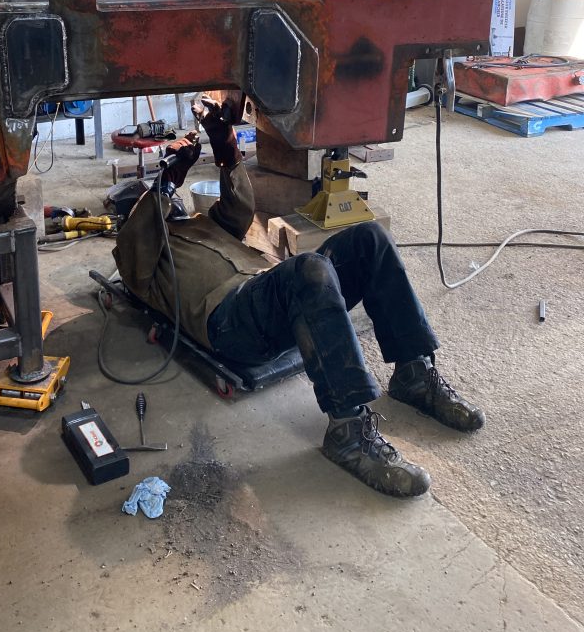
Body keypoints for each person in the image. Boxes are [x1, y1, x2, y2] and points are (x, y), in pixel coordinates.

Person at [114, 96, 485, 498]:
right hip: (230, 323)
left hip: (269, 296)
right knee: (308, 267)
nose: (174, 203)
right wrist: (165, 181)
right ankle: (348, 430)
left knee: (370, 238)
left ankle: (413, 373)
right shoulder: (142, 260)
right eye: (163, 202)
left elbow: (240, 207)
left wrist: (223, 145)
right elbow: (135, 234)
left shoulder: (203, 225)